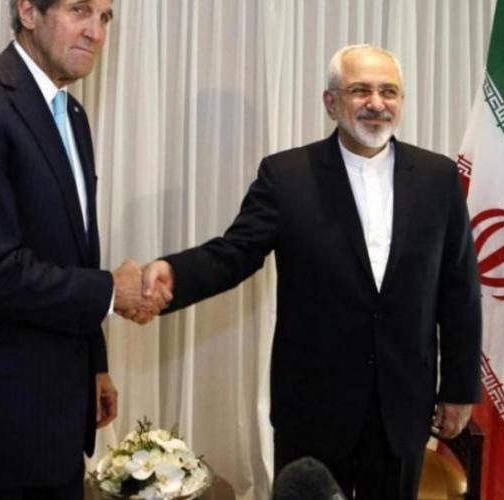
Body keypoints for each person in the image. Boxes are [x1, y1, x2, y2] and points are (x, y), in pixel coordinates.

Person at [136, 45, 482, 498]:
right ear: (331, 102)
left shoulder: (438, 177)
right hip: (313, 406)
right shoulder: (287, 175)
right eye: (360, 90)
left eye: (388, 92)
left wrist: (459, 388)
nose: (376, 103)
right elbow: (236, 252)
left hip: (402, 405)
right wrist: (173, 274)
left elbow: (459, 289)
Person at [0, 1, 167, 498]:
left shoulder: (71, 114)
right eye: (80, 10)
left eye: (105, 17)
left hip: (51, 417)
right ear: (28, 11)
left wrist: (93, 364)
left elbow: (70, 253)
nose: (96, 32)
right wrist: (112, 290)